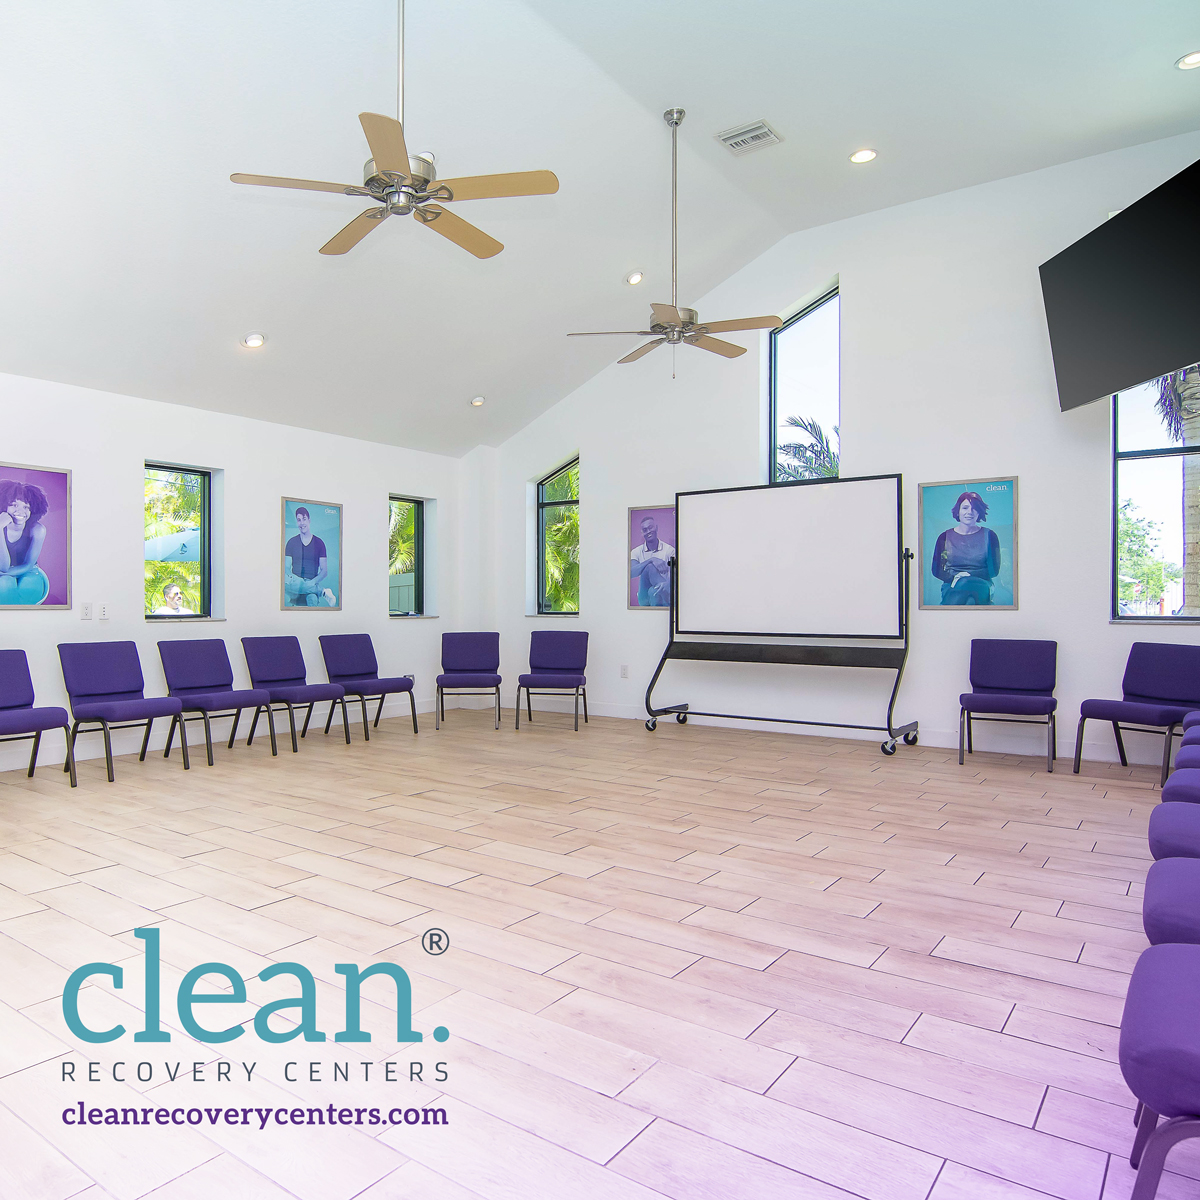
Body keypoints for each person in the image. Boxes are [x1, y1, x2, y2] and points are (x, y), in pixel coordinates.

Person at [931, 490, 1001, 605]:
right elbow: (936, 570)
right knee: (962, 588)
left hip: (982, 584)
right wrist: (953, 578)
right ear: (958, 511)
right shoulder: (944, 537)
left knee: (965, 584)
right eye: (965, 508)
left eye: (974, 508)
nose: (970, 512)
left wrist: (966, 578)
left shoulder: (990, 536)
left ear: (979, 512)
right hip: (952, 584)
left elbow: (994, 571)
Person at [0, 478, 51, 605]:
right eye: (14, 505)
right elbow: (3, 566)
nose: (20, 511)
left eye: (26, 507)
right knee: (5, 583)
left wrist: (5, 573)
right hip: (3, 572)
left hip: (27, 570)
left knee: (29, 586)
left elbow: (28, 565)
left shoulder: (38, 530)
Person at [284, 506, 330, 606]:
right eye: (299, 520)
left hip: (312, 582)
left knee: (312, 599)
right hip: (295, 584)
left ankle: (315, 590)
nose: (302, 523)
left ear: (309, 520)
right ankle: (322, 591)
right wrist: (296, 580)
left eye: (304, 519)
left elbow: (324, 571)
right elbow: (286, 568)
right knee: (283, 583)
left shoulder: (319, 543)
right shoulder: (291, 542)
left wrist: (312, 582)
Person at [630, 514, 675, 607]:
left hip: (663, 591)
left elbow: (675, 575)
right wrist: (651, 560)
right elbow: (631, 572)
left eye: (650, 527)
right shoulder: (636, 552)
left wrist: (667, 584)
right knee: (649, 567)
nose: (648, 531)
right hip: (644, 598)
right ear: (642, 533)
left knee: (653, 591)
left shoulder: (669, 550)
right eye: (645, 530)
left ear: (656, 528)